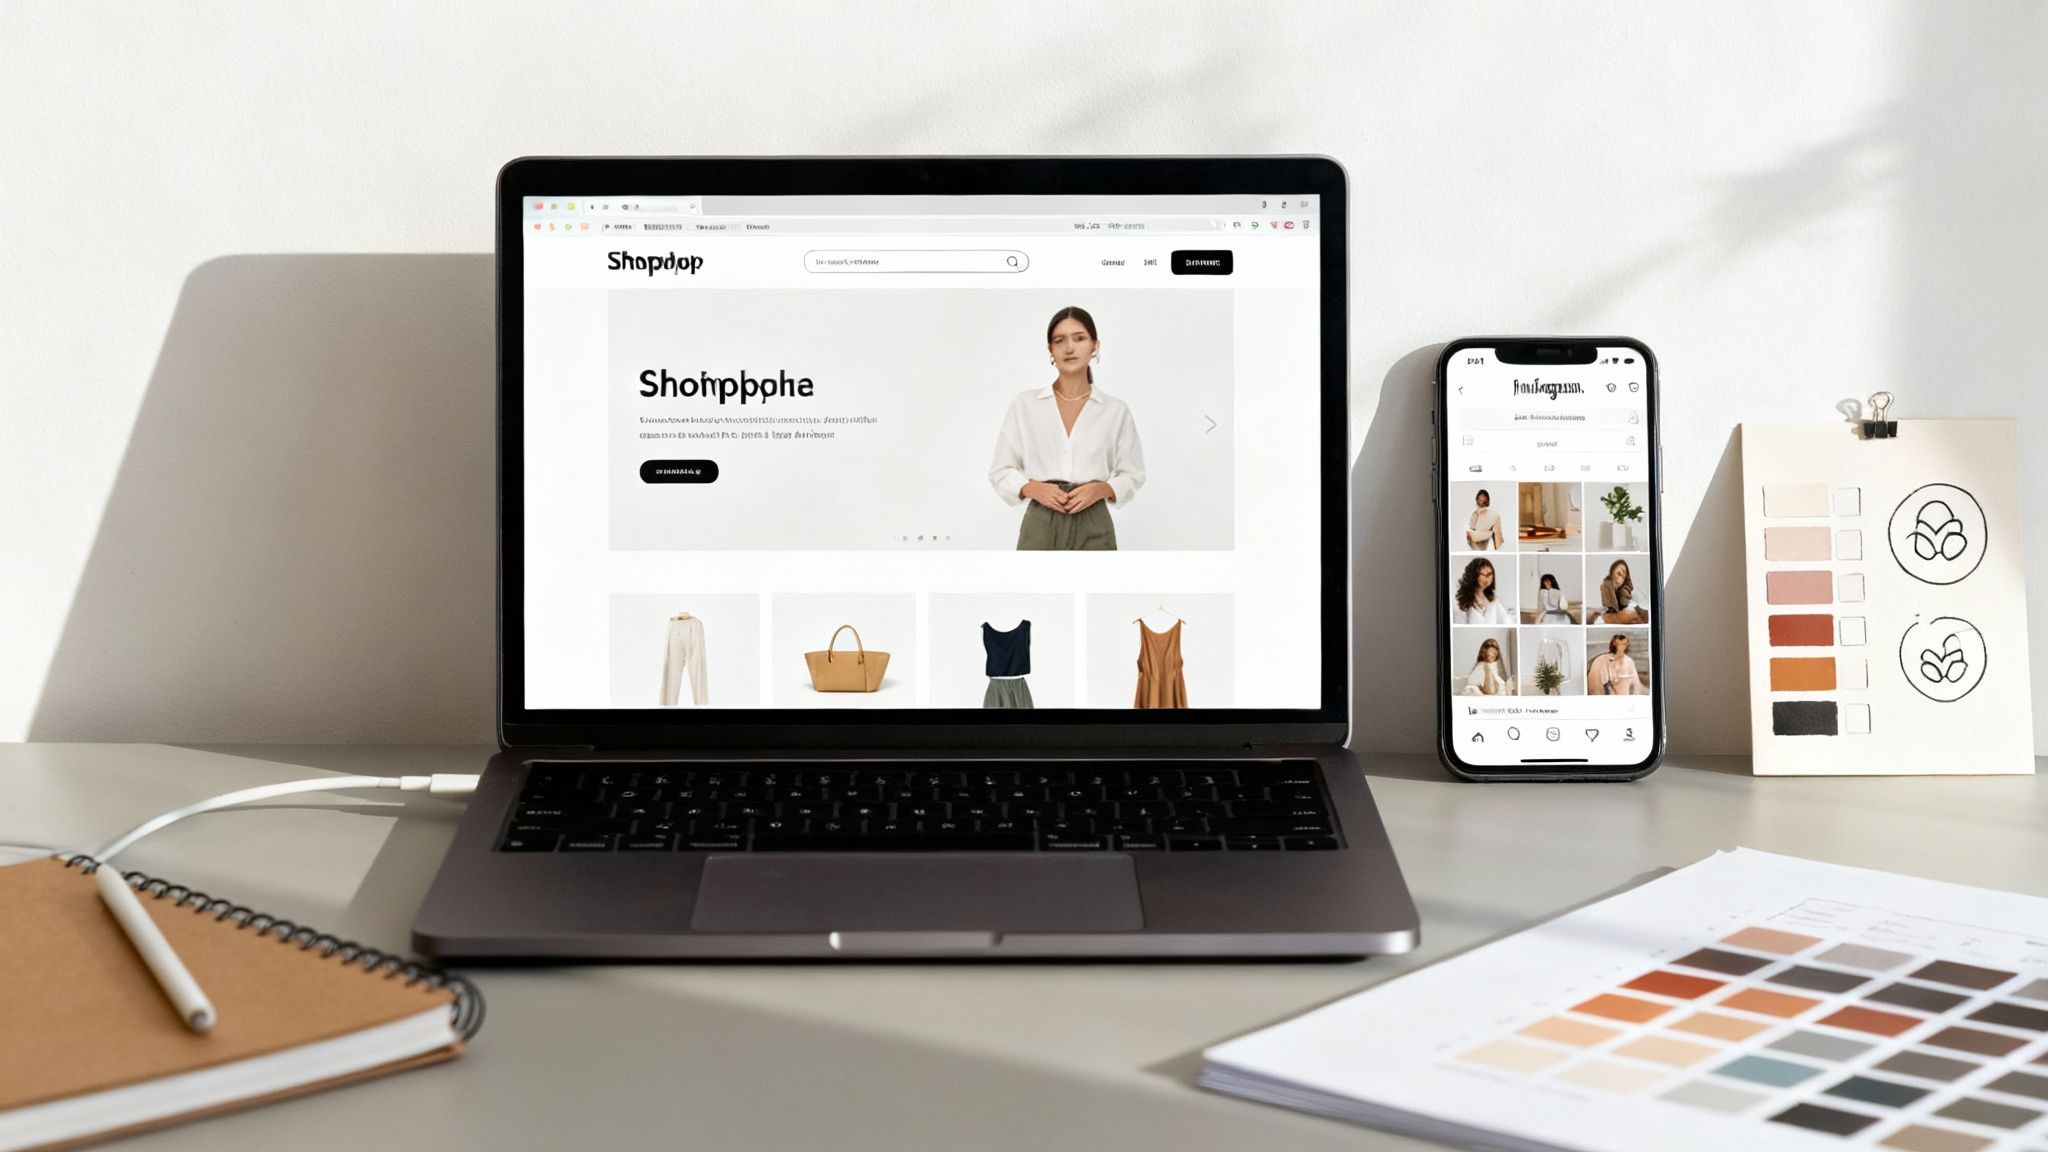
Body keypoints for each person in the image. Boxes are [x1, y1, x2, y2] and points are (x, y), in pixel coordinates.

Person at [989, 306, 1146, 550]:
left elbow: (1133, 473)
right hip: (1041, 519)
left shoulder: (1115, 411)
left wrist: (1102, 489)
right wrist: (1032, 488)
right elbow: (1000, 470)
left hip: (1093, 518)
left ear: (1095, 345)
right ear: (1050, 349)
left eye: (1079, 338)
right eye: (1059, 340)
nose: (1069, 348)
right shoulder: (1025, 405)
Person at [1453, 557, 1510, 624]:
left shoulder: (1494, 599)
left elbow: (1506, 620)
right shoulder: (1464, 601)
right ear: (1473, 576)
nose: (1488, 578)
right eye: (1483, 575)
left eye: (1490, 574)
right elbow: (1460, 623)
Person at [1598, 559, 1645, 624]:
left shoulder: (1624, 591)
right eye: (1618, 568)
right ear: (1612, 571)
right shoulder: (1605, 586)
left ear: (1623, 581)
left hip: (1632, 609)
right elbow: (1607, 607)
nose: (1621, 571)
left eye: (1623, 573)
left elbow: (1629, 604)